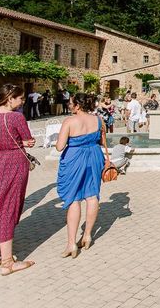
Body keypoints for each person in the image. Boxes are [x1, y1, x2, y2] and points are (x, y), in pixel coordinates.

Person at [0, 84, 36, 275]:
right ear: (10, 98)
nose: (22, 102)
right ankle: (7, 263)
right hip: (13, 164)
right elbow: (27, 139)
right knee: (7, 209)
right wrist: (25, 143)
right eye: (20, 99)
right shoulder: (16, 117)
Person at [56, 92, 106, 258]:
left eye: (71, 103)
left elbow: (59, 146)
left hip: (75, 158)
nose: (70, 106)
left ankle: (71, 243)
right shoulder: (98, 120)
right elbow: (103, 141)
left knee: (74, 199)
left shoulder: (70, 121)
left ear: (77, 105)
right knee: (92, 196)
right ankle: (87, 235)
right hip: (94, 155)